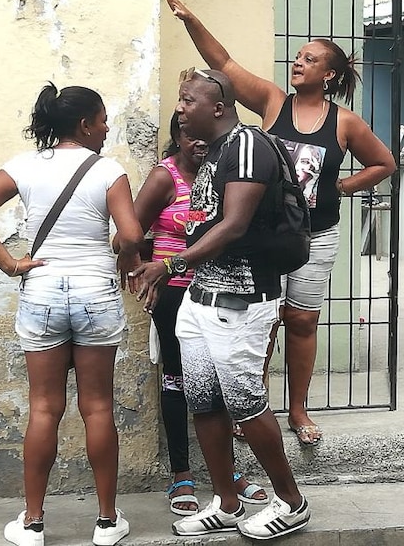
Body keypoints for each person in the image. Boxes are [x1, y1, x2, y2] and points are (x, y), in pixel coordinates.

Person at [160, 0, 397, 446]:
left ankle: (299, 409)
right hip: (265, 236)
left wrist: (340, 186)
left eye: (310, 59)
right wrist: (191, 21)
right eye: (299, 56)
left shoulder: (344, 122)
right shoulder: (272, 102)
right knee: (262, 318)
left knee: (303, 320)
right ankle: (254, 405)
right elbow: (225, 65)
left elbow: (384, 164)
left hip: (316, 235)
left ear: (328, 75)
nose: (298, 62)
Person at [130, 68, 311, 540]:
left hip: (243, 299)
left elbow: (232, 225)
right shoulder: (212, 155)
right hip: (200, 297)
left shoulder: (248, 145)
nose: (180, 107)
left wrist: (167, 267)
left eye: (189, 99)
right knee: (205, 402)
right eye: (180, 98)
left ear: (218, 106)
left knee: (246, 404)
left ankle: (292, 503)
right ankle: (227, 502)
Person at [0, 83, 141, 546]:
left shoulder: (25, 166)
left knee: (44, 408)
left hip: (43, 292)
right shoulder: (108, 170)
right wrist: (117, 253)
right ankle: (107, 522)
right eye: (103, 119)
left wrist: (9, 264)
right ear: (84, 125)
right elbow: (130, 233)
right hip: (95, 294)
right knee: (97, 408)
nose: (107, 127)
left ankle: (32, 522)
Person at [118, 113, 268, 515]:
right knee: (177, 381)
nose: (196, 142)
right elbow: (128, 234)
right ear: (177, 138)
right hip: (173, 295)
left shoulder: (225, 172)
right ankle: (181, 474)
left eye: (198, 134)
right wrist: (142, 275)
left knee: (219, 386)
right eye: (186, 135)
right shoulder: (165, 177)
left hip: (219, 292)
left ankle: (228, 476)